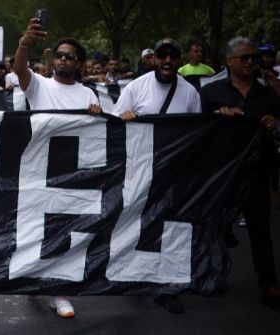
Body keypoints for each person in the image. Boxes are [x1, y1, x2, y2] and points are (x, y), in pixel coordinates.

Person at [15, 17, 103, 319]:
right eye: (60, 54)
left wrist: (97, 113)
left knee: (66, 230)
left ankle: (60, 292)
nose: (64, 59)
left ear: (78, 64)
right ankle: (35, 280)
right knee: (36, 229)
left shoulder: (89, 94)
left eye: (70, 56)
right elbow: (19, 69)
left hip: (74, 173)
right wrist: (25, 43)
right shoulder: (38, 84)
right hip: (38, 169)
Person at [114, 39, 201, 314]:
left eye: (172, 56)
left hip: (173, 173)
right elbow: (114, 121)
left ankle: (167, 287)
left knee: (171, 227)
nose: (166, 61)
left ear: (179, 60)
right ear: (152, 59)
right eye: (161, 55)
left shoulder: (189, 93)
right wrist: (124, 116)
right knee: (137, 222)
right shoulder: (135, 87)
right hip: (139, 168)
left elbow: (197, 132)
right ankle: (135, 276)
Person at [200, 36, 280, 308]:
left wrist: (275, 121)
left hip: (257, 172)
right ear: (229, 61)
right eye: (245, 57)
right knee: (214, 226)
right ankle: (209, 275)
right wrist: (218, 116)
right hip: (224, 172)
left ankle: (268, 283)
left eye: (254, 58)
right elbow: (199, 130)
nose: (250, 62)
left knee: (260, 229)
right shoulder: (211, 93)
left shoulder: (268, 94)